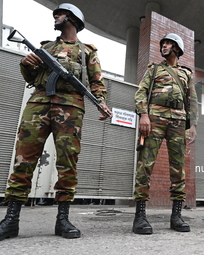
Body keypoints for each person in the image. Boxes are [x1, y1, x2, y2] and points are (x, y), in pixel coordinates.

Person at [0, 3, 112, 241]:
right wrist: (25, 65)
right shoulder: (46, 47)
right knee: (23, 159)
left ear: (72, 19)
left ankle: (63, 219)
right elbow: (32, 78)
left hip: (71, 108)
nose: (56, 17)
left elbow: (96, 82)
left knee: (67, 162)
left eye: (60, 14)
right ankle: (11, 219)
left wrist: (101, 102)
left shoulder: (87, 51)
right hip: (38, 103)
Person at [133, 33, 198, 234]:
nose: (164, 46)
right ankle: (140, 216)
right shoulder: (154, 69)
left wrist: (192, 124)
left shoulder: (186, 74)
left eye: (169, 43)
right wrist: (143, 115)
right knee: (146, 164)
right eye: (163, 43)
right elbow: (141, 92)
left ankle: (176, 216)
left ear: (177, 48)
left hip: (178, 121)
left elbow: (192, 101)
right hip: (154, 118)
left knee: (179, 167)